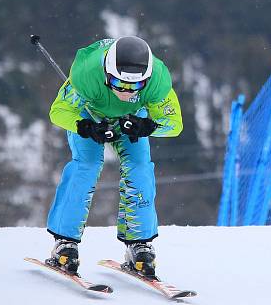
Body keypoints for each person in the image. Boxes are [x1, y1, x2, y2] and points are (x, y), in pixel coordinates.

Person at [45, 36, 183, 277]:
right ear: (107, 73)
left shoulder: (158, 80)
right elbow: (58, 111)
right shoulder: (87, 75)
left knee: (140, 168)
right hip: (89, 116)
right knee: (86, 165)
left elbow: (174, 123)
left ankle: (139, 243)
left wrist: (148, 126)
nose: (126, 91)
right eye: (118, 83)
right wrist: (84, 127)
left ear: (147, 79)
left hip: (132, 119)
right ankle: (64, 242)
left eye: (135, 86)